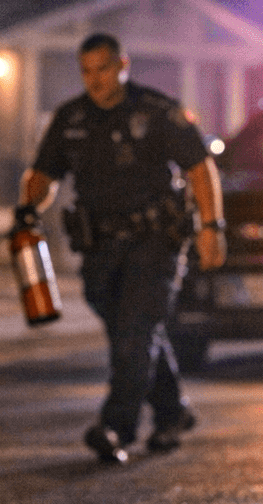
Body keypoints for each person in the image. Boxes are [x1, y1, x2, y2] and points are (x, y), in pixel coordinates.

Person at [17, 33, 227, 464]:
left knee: (135, 332)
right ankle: (172, 413)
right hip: (100, 249)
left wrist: (212, 226)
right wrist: (26, 210)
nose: (95, 79)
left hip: (155, 243)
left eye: (103, 69)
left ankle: (116, 427)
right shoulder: (71, 118)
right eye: (87, 71)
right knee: (133, 332)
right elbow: (43, 175)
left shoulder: (156, 112)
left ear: (123, 65)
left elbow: (200, 167)